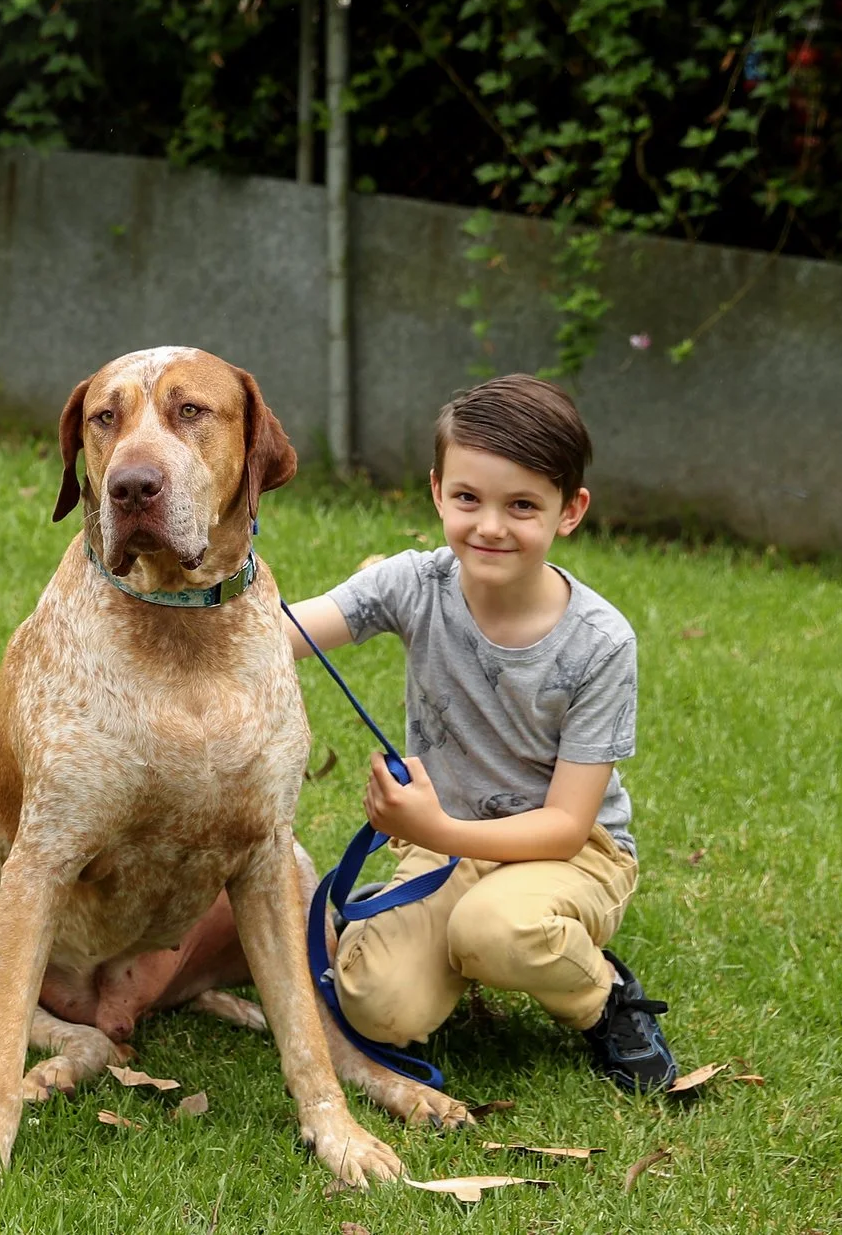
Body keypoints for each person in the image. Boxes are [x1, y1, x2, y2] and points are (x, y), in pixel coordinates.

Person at [281, 375, 681, 1094]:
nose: (490, 526)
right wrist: (208, 582)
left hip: (574, 855)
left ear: (571, 510)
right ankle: (436, 933)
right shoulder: (413, 583)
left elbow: (564, 826)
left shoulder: (600, 642)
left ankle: (603, 998)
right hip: (446, 843)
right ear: (438, 492)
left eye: (522, 504)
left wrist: (434, 826)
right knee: (373, 1005)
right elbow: (284, 633)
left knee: (497, 931)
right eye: (468, 499)